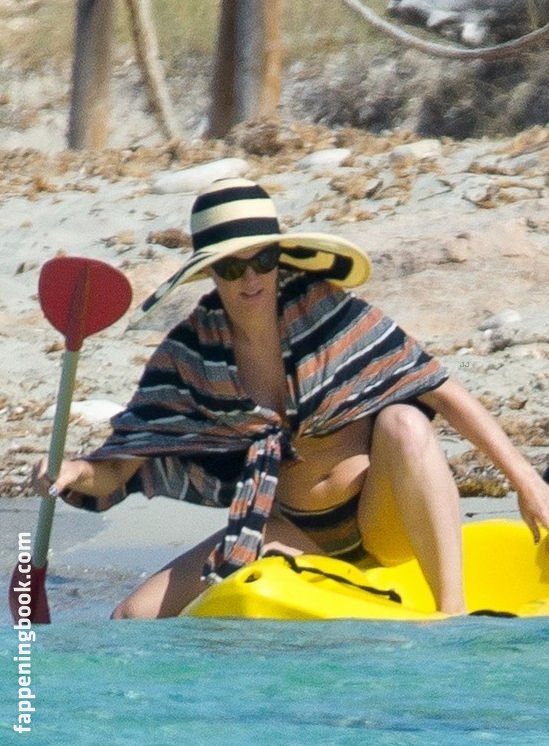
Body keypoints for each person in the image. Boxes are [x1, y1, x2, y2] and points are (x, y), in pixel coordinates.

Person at [33, 177, 549, 619]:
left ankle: (451, 614)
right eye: (232, 267)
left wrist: (527, 483)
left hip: (381, 523)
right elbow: (120, 468)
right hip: (289, 531)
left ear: (279, 256)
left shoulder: (325, 313)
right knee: (132, 616)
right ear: (210, 271)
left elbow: (439, 388)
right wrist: (71, 471)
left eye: (262, 259)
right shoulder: (192, 353)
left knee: (404, 421)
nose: (250, 277)